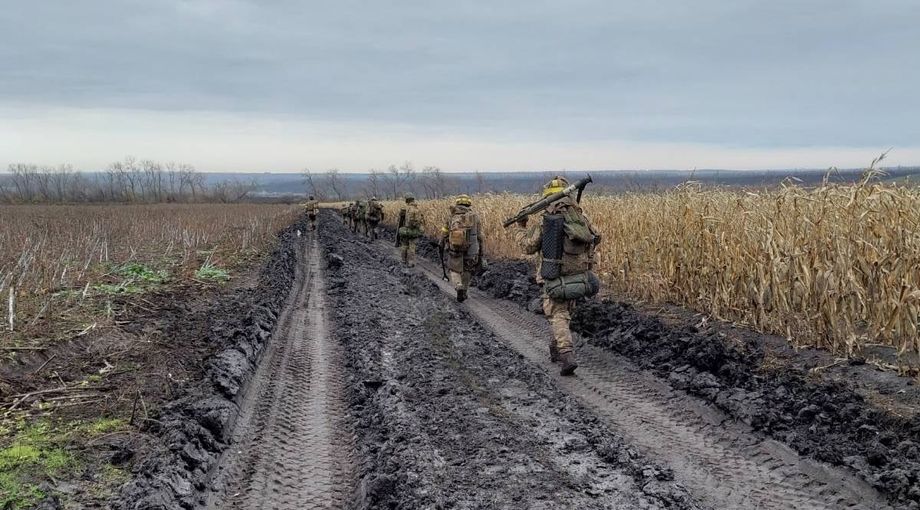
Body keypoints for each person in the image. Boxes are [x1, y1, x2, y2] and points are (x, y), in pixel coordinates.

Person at [514, 176, 601, 376]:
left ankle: (566, 354)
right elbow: (597, 236)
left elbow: (528, 246)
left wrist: (520, 229)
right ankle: (555, 348)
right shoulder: (579, 216)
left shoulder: (548, 220)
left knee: (557, 314)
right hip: (579, 276)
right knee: (563, 315)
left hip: (555, 277)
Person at [440, 194, 483, 302]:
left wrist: (442, 243)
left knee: (454, 269)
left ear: (457, 204)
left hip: (455, 248)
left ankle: (458, 286)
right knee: (468, 269)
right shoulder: (475, 217)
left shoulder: (451, 216)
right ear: (469, 204)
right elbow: (479, 236)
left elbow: (445, 232)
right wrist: (480, 249)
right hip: (472, 249)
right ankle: (464, 290)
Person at [398, 194, 424, 267]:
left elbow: (400, 220)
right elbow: (418, 222)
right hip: (413, 231)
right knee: (412, 246)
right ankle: (410, 262)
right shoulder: (416, 210)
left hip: (405, 231)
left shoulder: (404, 209)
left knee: (404, 245)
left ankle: (403, 260)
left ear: (407, 200)